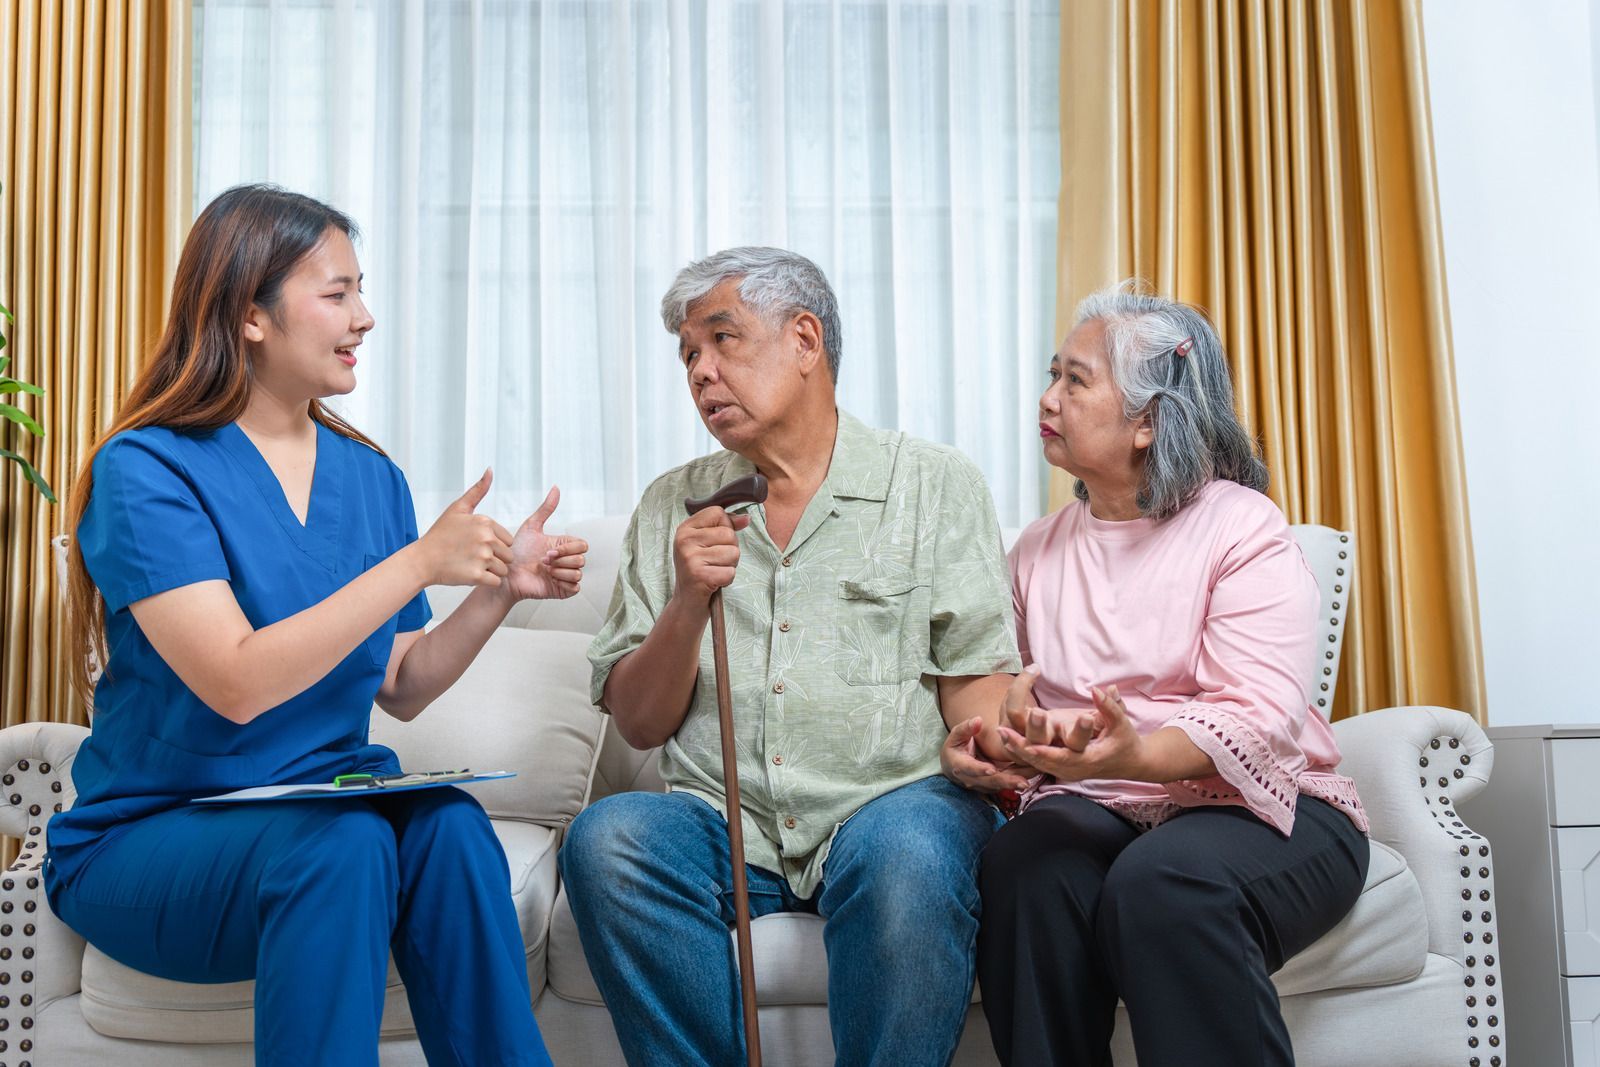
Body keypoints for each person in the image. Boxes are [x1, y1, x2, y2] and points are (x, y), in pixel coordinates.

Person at [45, 184, 587, 1067]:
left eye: (360, 289)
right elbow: (237, 680)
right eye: (336, 292)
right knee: (343, 843)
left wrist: (499, 592)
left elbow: (401, 684)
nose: (364, 316)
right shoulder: (146, 468)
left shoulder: (369, 476)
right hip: (152, 834)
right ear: (249, 314)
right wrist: (416, 563)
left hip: (327, 813)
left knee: (448, 826)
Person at [560, 247, 1023, 1066]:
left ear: (805, 340)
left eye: (722, 340)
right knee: (610, 838)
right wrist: (686, 600)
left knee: (911, 852)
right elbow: (637, 722)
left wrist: (990, 748)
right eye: (688, 356)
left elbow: (976, 695)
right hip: (721, 824)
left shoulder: (934, 484)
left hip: (888, 806)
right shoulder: (675, 502)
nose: (701, 372)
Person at [958, 284, 1370, 1066]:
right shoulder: (1035, 553)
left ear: (1147, 420)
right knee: (1023, 865)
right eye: (1053, 375)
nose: (1048, 398)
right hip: (1103, 800)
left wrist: (1134, 754)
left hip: (1267, 804)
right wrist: (1001, 744)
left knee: (1163, 880)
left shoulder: (1241, 524)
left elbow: (1259, 714)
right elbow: (1010, 713)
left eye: (1075, 380)